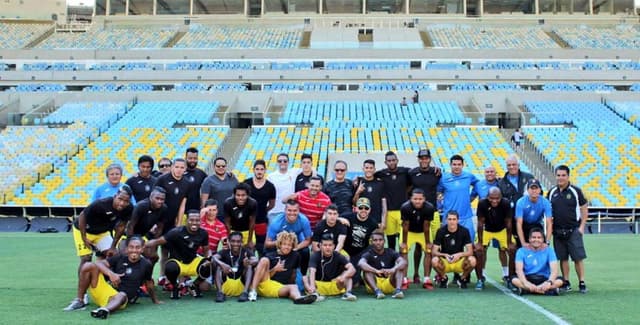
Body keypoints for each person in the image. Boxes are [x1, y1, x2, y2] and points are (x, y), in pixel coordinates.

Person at [64, 236, 161, 317]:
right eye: (131, 247)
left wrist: (155, 300)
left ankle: (104, 310)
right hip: (105, 292)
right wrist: (111, 274)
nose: (134, 250)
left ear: (142, 249)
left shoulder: (146, 264)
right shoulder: (120, 257)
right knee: (88, 266)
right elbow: (99, 263)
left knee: (122, 295)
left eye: (137, 247)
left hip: (120, 300)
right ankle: (79, 301)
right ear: (127, 248)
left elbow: (148, 283)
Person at [145, 210, 211, 299]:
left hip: (192, 262)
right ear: (186, 220)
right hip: (178, 263)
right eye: (191, 220)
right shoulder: (176, 232)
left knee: (209, 266)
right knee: (169, 267)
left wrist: (208, 259)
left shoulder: (203, 233)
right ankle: (175, 286)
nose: (194, 223)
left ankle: (194, 285)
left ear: (200, 221)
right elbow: (157, 241)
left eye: (197, 220)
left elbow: (207, 250)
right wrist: (142, 245)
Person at [72, 185, 134, 275]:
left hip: (102, 233)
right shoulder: (101, 204)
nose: (122, 203)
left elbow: (121, 227)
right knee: (86, 258)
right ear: (115, 196)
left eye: (126, 201)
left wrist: (113, 247)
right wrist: (84, 237)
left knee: (114, 256)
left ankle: (107, 281)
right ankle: (82, 287)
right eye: (120, 199)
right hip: (84, 230)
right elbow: (82, 216)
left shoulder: (128, 209)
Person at [547, 165, 588, 294]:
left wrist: (581, 227)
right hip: (558, 231)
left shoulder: (576, 191)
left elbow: (584, 208)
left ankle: (582, 282)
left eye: (563, 175)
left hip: (573, 230)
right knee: (563, 258)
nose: (560, 178)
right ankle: (566, 281)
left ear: (568, 176)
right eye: (558, 175)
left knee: (577, 258)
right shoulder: (552, 192)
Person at [247, 231, 317, 304]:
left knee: (293, 287)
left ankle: (299, 299)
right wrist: (275, 269)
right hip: (267, 284)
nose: (287, 247)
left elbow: (296, 273)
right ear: (280, 244)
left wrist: (307, 287)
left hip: (280, 287)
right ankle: (253, 291)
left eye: (289, 245)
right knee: (264, 260)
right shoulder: (270, 255)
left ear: (293, 246)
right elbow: (263, 276)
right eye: (284, 244)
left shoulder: (296, 255)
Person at [154, 158, 192, 283]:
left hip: (172, 222)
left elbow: (183, 204)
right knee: (154, 251)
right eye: (177, 167)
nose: (179, 170)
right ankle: (160, 276)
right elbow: (154, 200)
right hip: (158, 221)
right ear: (172, 167)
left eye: (182, 167)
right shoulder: (162, 180)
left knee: (171, 250)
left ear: (185, 169)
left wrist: (179, 223)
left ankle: (172, 278)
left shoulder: (186, 183)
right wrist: (154, 221)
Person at [408, 148, 442, 284]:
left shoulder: (436, 172)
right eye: (421, 158)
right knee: (418, 246)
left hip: (433, 213)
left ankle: (436, 274)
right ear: (418, 159)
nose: (424, 160)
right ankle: (416, 273)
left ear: (429, 159)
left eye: (426, 158)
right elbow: (407, 189)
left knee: (435, 245)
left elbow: (441, 188)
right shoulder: (412, 173)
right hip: (417, 214)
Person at [475, 187, 513, 290]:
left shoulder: (505, 203)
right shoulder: (482, 203)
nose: (494, 201)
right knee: (479, 251)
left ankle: (509, 277)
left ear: (501, 197)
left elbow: (508, 223)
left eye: (497, 198)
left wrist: (509, 242)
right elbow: (480, 223)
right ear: (488, 197)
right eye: (492, 198)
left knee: (512, 249)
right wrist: (479, 241)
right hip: (487, 230)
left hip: (502, 230)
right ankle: (480, 278)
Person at [303, 233, 357, 301]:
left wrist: (342, 277)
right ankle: (314, 294)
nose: (327, 247)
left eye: (330, 245)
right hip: (319, 285)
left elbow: (352, 269)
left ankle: (348, 293)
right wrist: (312, 286)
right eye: (325, 245)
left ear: (334, 246)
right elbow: (312, 271)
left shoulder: (337, 255)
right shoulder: (315, 255)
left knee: (348, 277)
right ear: (320, 246)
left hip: (335, 284)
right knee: (305, 278)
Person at [437, 154, 478, 241]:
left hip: (465, 216)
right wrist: (440, 200)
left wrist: (472, 196)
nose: (457, 167)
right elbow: (438, 191)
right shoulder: (444, 178)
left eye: (459, 164)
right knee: (447, 244)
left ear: (463, 165)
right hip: (449, 216)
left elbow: (477, 185)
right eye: (454, 164)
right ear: (450, 165)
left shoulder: (469, 176)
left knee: (470, 242)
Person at [400, 188, 435, 290]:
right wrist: (404, 243)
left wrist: (428, 242)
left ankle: (427, 280)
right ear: (411, 199)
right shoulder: (405, 207)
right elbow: (405, 225)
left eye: (420, 199)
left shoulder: (429, 207)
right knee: (404, 251)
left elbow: (426, 226)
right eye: (415, 199)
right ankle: (404, 280)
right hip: (409, 231)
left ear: (424, 199)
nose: (418, 201)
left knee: (428, 251)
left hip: (423, 232)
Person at [512, 228, 564, 295]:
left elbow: (554, 271)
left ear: (543, 240)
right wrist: (526, 283)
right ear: (529, 239)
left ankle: (527, 290)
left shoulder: (549, 251)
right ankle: (545, 290)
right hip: (528, 277)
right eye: (533, 237)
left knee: (560, 281)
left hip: (544, 278)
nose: (536, 240)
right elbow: (519, 270)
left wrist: (549, 282)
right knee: (514, 279)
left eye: (539, 238)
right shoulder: (521, 251)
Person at [265, 200, 313, 274]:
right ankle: (269, 272)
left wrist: (295, 247)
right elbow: (267, 243)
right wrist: (282, 243)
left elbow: (308, 240)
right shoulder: (276, 222)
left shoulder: (304, 220)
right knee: (266, 251)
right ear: (285, 211)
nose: (292, 213)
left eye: (295, 211)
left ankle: (303, 274)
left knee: (305, 251)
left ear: (299, 211)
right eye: (289, 210)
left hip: (296, 242)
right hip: (279, 243)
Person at [376, 151, 411, 251]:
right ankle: (392, 263)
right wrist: (358, 178)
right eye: (389, 161)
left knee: (402, 241)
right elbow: (369, 177)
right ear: (385, 162)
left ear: (397, 160)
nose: (391, 162)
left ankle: (402, 263)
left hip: (402, 211)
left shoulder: (405, 171)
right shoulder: (381, 174)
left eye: (393, 160)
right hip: (389, 212)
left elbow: (415, 178)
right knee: (391, 241)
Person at [431, 211, 476, 289]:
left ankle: (462, 279)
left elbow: (470, 251)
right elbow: (434, 251)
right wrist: (444, 255)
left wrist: (459, 255)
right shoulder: (441, 231)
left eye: (454, 219)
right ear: (446, 220)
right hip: (445, 261)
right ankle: (444, 278)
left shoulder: (464, 231)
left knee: (473, 260)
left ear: (458, 220)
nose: (452, 222)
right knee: (434, 261)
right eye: (450, 219)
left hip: (459, 261)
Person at [124, 187, 167, 265]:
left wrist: (154, 247)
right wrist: (130, 244)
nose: (160, 201)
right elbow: (130, 226)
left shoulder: (163, 208)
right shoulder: (141, 206)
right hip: (128, 235)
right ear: (151, 197)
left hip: (143, 236)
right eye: (157, 198)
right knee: (126, 256)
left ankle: (147, 276)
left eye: (162, 199)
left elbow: (160, 228)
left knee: (154, 257)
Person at [359, 231, 407, 299]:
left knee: (399, 269)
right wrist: (376, 271)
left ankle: (398, 291)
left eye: (380, 240)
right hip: (374, 284)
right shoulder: (368, 253)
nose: (378, 242)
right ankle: (377, 292)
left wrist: (392, 270)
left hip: (389, 282)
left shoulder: (390, 252)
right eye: (375, 240)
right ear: (371, 242)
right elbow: (361, 263)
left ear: (384, 241)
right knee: (366, 271)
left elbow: (403, 262)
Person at [212, 232, 258, 302]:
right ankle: (220, 293)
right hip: (226, 285)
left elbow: (256, 260)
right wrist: (222, 264)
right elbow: (213, 258)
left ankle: (245, 293)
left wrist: (248, 262)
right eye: (233, 241)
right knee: (218, 265)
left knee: (249, 267)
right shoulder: (224, 251)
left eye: (238, 241)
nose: (235, 244)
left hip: (241, 285)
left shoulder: (246, 251)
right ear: (229, 242)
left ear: (242, 242)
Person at [243, 159, 276, 255]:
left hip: (261, 221)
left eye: (262, 169)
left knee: (261, 246)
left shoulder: (270, 186)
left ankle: (261, 267)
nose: (259, 171)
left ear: (265, 170)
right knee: (248, 247)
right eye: (257, 169)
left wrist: (262, 210)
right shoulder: (246, 183)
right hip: (246, 221)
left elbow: (272, 204)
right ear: (253, 170)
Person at [345, 197, 380, 284]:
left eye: (366, 208)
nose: (363, 210)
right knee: (351, 281)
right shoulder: (348, 217)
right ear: (356, 208)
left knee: (355, 283)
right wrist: (340, 219)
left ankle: (365, 276)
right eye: (360, 208)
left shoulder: (373, 223)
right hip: (346, 252)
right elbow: (332, 217)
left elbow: (377, 239)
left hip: (361, 253)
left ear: (370, 210)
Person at [515, 179, 553, 248]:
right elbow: (519, 223)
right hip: (524, 224)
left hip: (537, 225)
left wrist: (547, 242)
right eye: (531, 188)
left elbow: (549, 223)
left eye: (536, 188)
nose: (534, 190)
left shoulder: (545, 202)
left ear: (540, 190)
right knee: (520, 249)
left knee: (541, 248)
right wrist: (523, 242)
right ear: (528, 190)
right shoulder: (520, 202)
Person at [352, 159, 387, 231]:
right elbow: (354, 203)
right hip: (361, 221)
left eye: (371, 168)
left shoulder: (380, 183)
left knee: (377, 241)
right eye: (367, 168)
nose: (369, 170)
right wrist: (358, 192)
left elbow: (384, 205)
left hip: (376, 221)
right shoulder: (358, 182)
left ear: (374, 169)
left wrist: (383, 221)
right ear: (363, 169)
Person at [224, 182, 257, 249]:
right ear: (234, 195)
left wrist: (249, 240)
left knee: (250, 248)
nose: (240, 198)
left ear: (247, 195)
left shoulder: (253, 203)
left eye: (243, 195)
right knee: (230, 250)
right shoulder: (228, 203)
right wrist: (229, 237)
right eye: (238, 195)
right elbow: (227, 222)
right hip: (233, 231)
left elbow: (252, 223)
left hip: (247, 231)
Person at [267, 153, 299, 222]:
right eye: (280, 161)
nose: (282, 163)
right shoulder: (271, 176)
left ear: (288, 162)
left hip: (290, 211)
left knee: (289, 233)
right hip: (274, 212)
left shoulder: (294, 172)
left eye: (285, 161)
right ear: (277, 162)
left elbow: (310, 169)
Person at [184, 147, 208, 211]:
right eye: (190, 158)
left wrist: (227, 174)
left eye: (195, 158)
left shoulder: (201, 173)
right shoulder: (180, 172)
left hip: (196, 210)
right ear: (185, 158)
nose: (192, 160)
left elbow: (212, 182)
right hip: (181, 210)